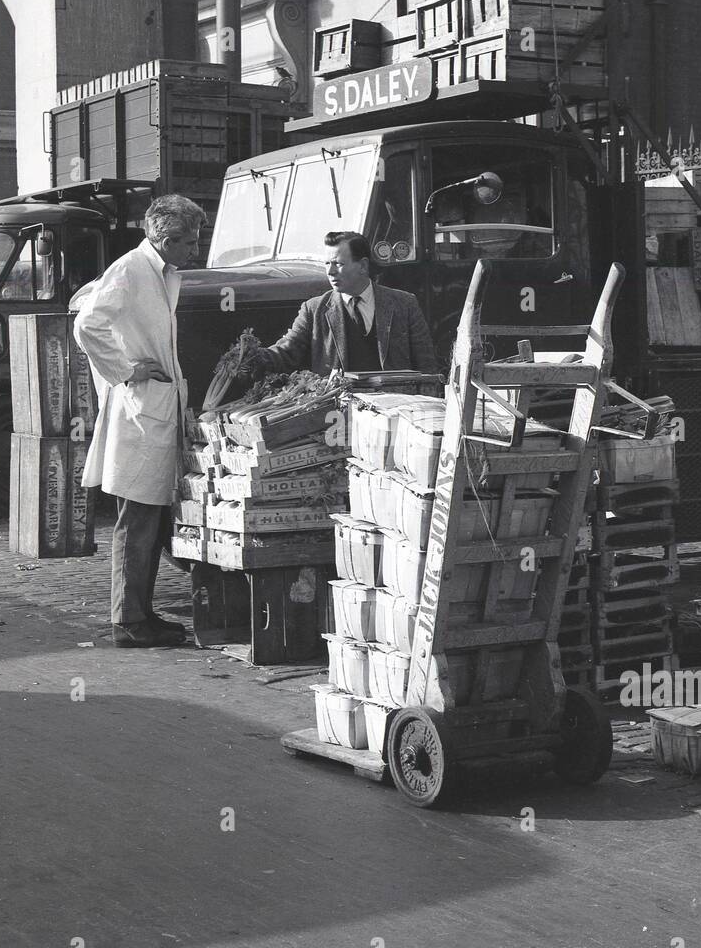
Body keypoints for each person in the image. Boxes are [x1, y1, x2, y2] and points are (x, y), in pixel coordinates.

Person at [71, 194, 206, 648]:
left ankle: (141, 614)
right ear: (166, 240)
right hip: (141, 411)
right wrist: (126, 371)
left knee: (149, 517)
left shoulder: (162, 272)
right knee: (138, 517)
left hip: (156, 407)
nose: (195, 249)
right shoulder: (130, 270)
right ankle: (128, 620)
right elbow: (87, 324)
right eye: (189, 242)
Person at [249, 230, 439, 376]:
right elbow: (286, 352)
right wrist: (250, 357)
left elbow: (427, 365)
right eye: (326, 264)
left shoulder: (404, 304)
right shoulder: (314, 310)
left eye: (338, 264)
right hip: (338, 413)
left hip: (395, 410)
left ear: (363, 266)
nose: (330, 272)